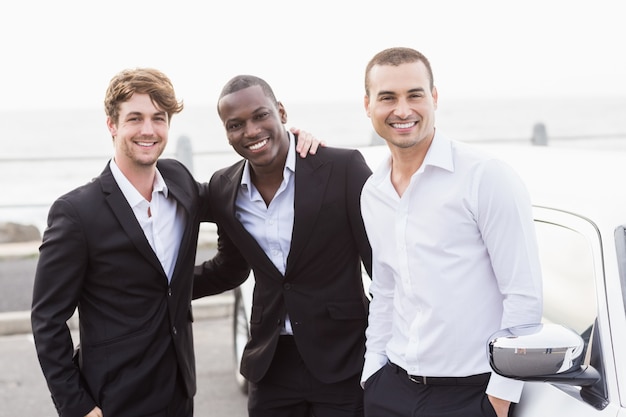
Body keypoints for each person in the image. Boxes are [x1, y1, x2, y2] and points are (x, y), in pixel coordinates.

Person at [30, 68, 321, 417]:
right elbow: (47, 320)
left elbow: (229, 202)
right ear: (112, 125)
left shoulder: (180, 182)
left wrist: (289, 144)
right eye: (134, 118)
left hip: (180, 394)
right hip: (111, 401)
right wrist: (77, 406)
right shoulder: (76, 213)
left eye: (159, 118)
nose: (148, 130)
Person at [359, 47, 543, 417]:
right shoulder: (373, 191)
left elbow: (523, 296)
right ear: (368, 106)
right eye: (387, 98)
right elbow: (386, 290)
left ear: (435, 98)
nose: (403, 109)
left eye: (415, 94)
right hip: (390, 389)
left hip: (470, 396)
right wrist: (373, 370)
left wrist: (498, 401)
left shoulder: (485, 177)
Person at [193, 75, 373, 417]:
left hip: (344, 358)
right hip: (271, 364)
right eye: (236, 124)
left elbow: (382, 264)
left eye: (260, 116)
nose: (250, 131)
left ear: (281, 112)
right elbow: (230, 269)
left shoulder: (342, 168)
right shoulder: (223, 187)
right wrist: (163, 287)